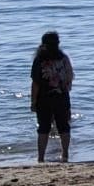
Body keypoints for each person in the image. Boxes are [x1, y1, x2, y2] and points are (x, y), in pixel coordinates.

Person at [30, 32, 74, 163]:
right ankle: (65, 154)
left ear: (43, 44)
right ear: (58, 43)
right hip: (62, 95)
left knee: (43, 128)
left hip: (44, 97)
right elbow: (70, 77)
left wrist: (33, 101)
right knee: (64, 126)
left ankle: (41, 157)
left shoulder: (39, 60)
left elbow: (35, 83)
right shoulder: (63, 58)